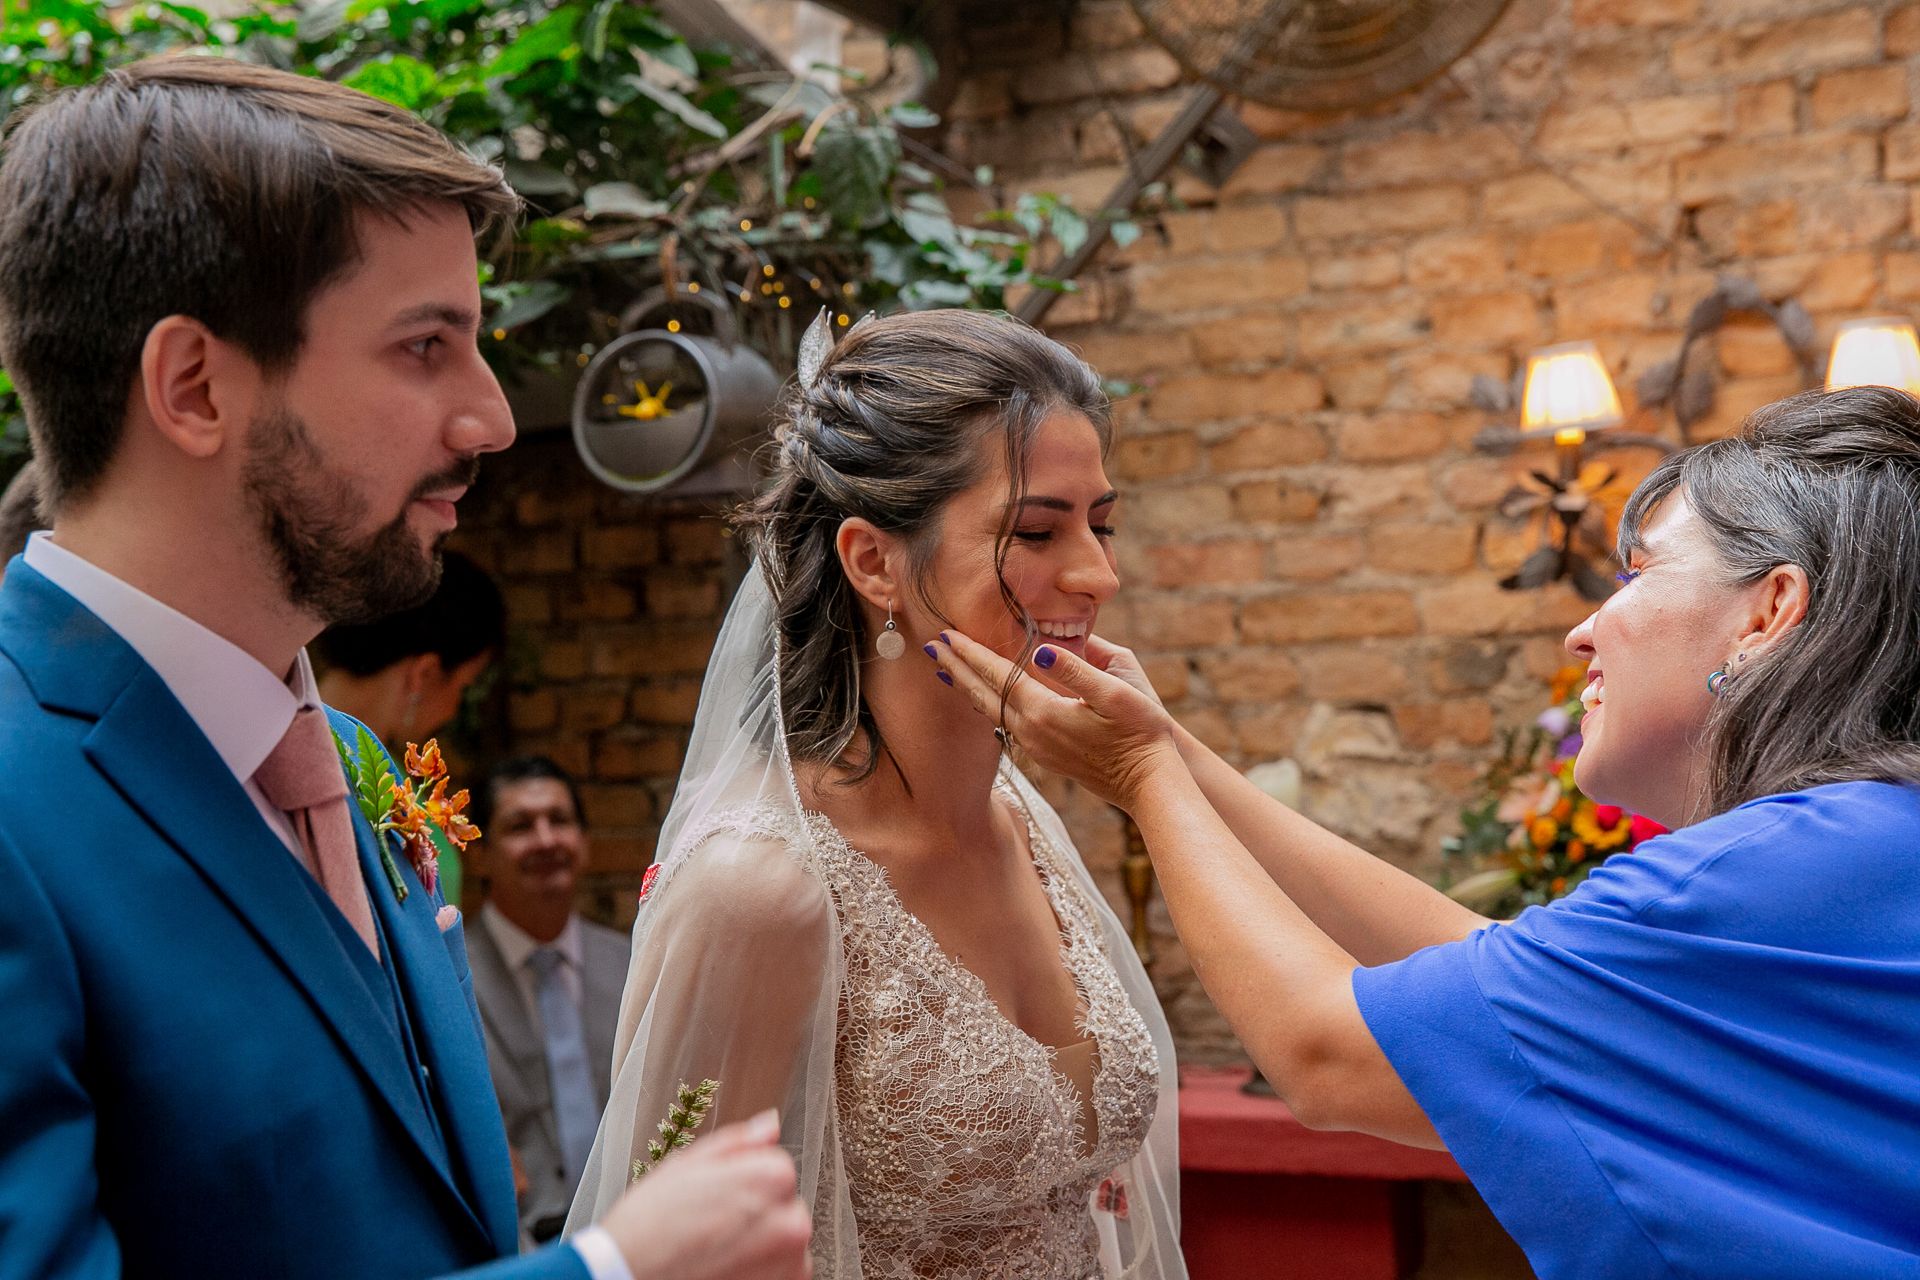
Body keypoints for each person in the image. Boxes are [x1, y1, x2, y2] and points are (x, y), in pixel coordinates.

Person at [0, 57, 808, 1280]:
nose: (488, 417)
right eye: (426, 344)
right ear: (194, 386)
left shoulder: (360, 771)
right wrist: (607, 1272)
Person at [930, 384, 1920, 1278]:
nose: (1584, 630)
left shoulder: (1761, 874)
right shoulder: (1863, 845)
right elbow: (1486, 969)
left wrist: (1143, 779)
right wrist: (1177, 751)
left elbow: (1322, 1050)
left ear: (1768, 612)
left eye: (1637, 575)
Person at [568, 309, 1186, 1279]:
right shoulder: (760, 891)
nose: (1096, 572)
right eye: (1035, 529)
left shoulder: (1025, 820)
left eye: (1101, 522)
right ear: (872, 560)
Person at [467, 756, 632, 1243]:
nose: (545, 841)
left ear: (583, 841)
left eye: (559, 821)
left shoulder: (634, 962)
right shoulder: (448, 976)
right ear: (480, 853)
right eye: (520, 826)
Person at [317, 548, 509, 905]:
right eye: (463, 688)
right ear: (426, 673)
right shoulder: (331, 767)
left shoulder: (370, 763)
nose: (454, 710)